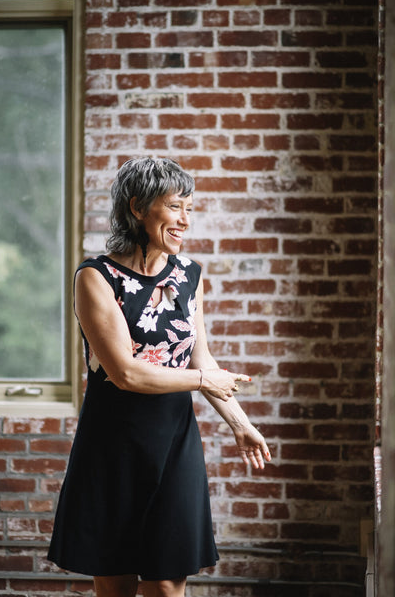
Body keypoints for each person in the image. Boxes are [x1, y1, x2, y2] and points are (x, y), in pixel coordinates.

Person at [48, 157, 271, 597]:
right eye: (176, 207)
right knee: (116, 584)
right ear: (138, 208)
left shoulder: (189, 275)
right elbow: (126, 373)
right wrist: (205, 381)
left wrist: (242, 425)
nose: (186, 219)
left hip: (175, 442)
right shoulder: (96, 277)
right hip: (112, 444)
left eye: (190, 208)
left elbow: (200, 362)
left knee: (168, 583)